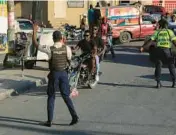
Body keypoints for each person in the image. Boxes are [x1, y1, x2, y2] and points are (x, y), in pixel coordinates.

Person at [32, 23, 79, 127]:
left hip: (54, 74)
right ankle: (74, 116)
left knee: (51, 96)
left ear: (53, 39)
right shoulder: (66, 48)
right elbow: (69, 59)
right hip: (63, 74)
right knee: (66, 96)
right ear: (61, 38)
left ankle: (49, 121)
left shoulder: (50, 49)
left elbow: (35, 44)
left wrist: (34, 31)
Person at [140, 18, 176, 88]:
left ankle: (158, 83)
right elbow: (174, 42)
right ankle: (174, 83)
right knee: (171, 66)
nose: (157, 25)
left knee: (158, 66)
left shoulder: (158, 32)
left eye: (158, 24)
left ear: (161, 25)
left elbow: (150, 40)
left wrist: (143, 47)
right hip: (167, 51)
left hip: (158, 51)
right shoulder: (169, 32)